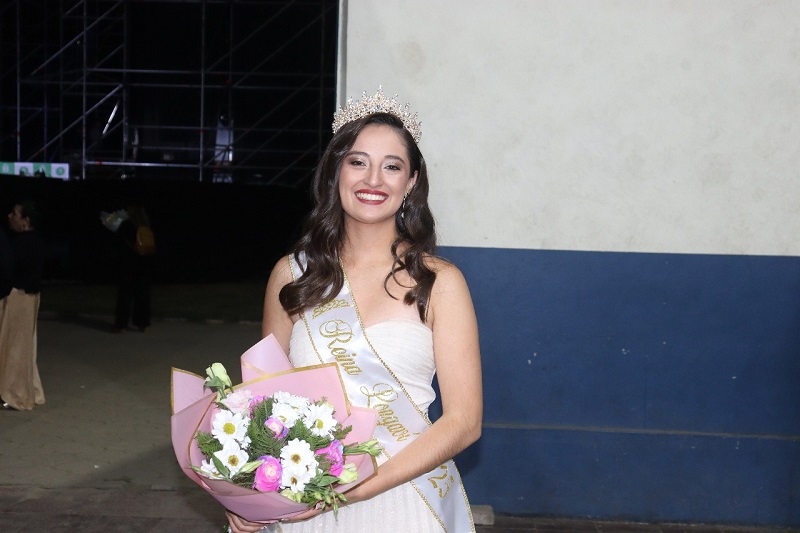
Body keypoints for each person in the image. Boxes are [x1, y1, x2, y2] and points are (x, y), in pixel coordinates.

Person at [226, 88, 483, 532]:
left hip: (404, 501)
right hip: (305, 506)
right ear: (335, 172)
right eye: (358, 161)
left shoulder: (440, 283)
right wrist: (244, 493)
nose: (374, 180)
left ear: (412, 182)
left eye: (392, 166)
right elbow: (261, 405)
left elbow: (464, 422)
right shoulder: (291, 276)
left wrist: (357, 488)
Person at [0, 201, 46, 410]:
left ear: (26, 221)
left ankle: (15, 394)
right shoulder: (34, 240)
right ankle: (31, 390)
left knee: (15, 347)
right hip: (30, 296)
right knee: (26, 347)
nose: (10, 216)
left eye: (15, 214)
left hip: (20, 296)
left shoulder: (22, 242)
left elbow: (10, 271)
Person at [107, 204, 155, 333]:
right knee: (143, 295)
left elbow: (117, 240)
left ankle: (121, 325)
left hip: (128, 264)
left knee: (125, 296)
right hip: (144, 264)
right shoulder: (146, 226)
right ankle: (143, 323)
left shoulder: (126, 225)